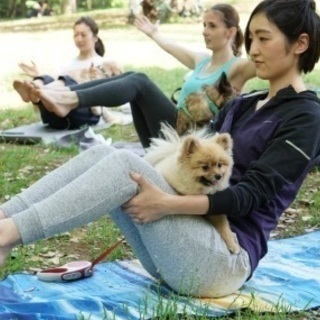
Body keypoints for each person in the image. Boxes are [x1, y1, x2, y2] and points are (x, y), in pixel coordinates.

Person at [1, 0, 319, 298]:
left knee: (124, 162)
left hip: (223, 261)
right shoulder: (244, 104)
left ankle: (6, 236)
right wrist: (168, 196)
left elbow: (249, 197)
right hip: (176, 251)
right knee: (105, 155)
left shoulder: (306, 116)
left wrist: (167, 203)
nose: (254, 49)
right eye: (251, 38)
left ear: (300, 44)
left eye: (264, 38)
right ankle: (4, 219)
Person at [17, 3, 256, 146]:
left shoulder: (238, 68)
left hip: (191, 141)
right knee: (131, 78)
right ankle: (60, 93)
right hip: (169, 136)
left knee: (139, 82)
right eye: (203, 25)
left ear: (230, 31)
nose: (205, 31)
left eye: (212, 26)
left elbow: (271, 60)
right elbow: (169, 45)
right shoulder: (201, 60)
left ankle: (67, 99)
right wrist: (153, 32)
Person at [13, 16, 123, 130]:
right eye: (76, 35)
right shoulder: (66, 65)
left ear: (95, 37)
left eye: (83, 35)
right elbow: (51, 78)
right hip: (54, 118)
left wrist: (93, 80)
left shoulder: (105, 64)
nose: (79, 39)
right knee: (52, 77)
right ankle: (36, 90)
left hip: (82, 112)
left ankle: (39, 92)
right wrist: (37, 75)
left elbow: (117, 93)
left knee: (68, 80)